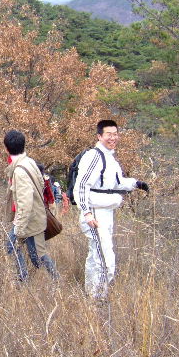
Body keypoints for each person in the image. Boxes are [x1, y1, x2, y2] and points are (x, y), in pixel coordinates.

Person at [72, 119, 149, 301]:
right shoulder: (94, 156)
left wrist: (136, 183)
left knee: (95, 256)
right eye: (109, 134)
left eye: (115, 134)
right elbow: (81, 186)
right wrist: (87, 213)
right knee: (105, 260)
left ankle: (91, 296)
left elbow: (116, 183)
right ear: (99, 136)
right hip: (95, 212)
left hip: (106, 212)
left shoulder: (110, 158)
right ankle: (99, 299)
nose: (112, 138)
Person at [4, 130, 58, 282]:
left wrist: (19, 228)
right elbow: (41, 184)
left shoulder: (19, 171)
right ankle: (27, 279)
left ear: (6, 149)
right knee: (35, 255)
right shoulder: (30, 162)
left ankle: (27, 280)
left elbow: (25, 202)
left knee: (19, 249)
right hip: (35, 217)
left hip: (29, 220)